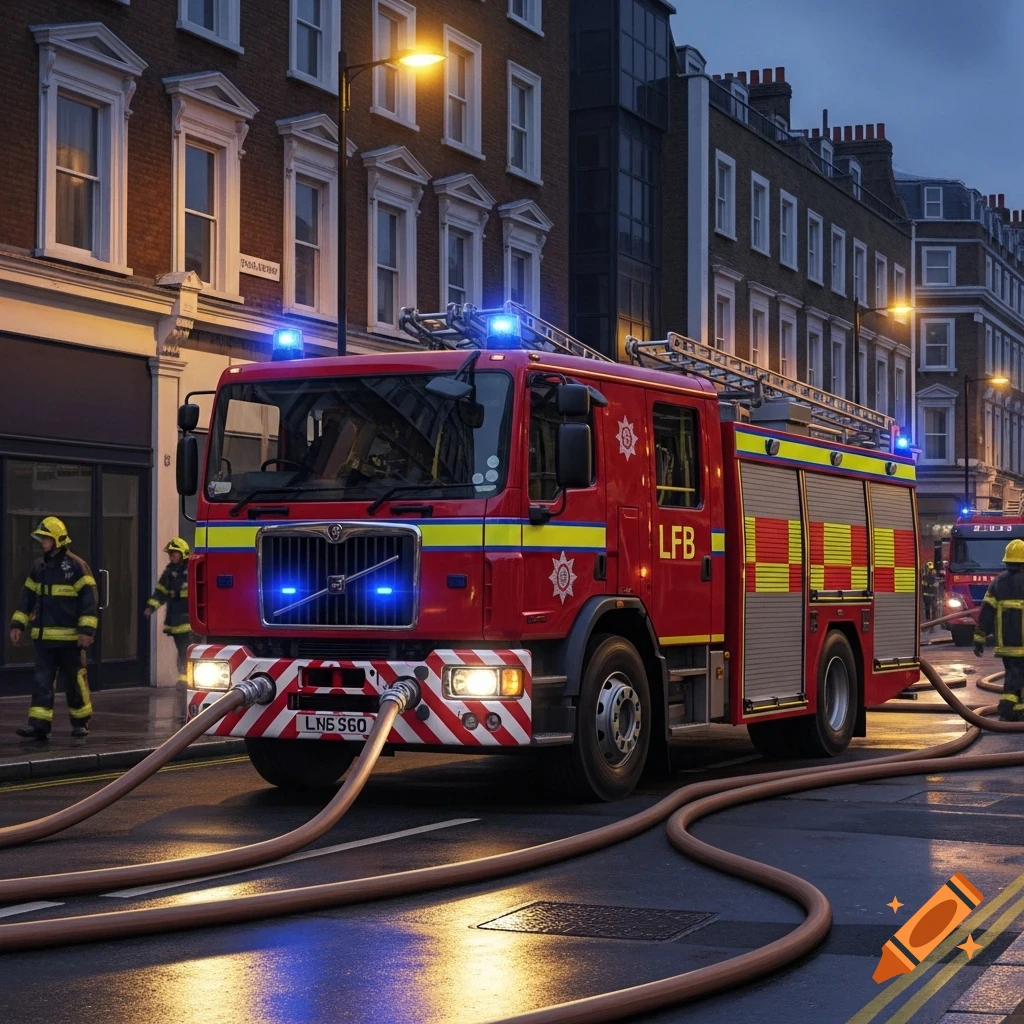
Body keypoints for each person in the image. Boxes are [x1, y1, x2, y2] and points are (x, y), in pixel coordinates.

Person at [7, 517, 97, 739]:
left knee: (75, 681)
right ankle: (38, 725)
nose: (42, 543)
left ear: (57, 540)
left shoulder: (76, 566)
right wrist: (18, 624)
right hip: (44, 639)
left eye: (46, 538)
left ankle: (80, 722)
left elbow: (89, 601)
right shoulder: (39, 567)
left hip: (70, 640)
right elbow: (26, 598)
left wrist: (86, 632)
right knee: (41, 682)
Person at [974, 538, 1024, 722]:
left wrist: (979, 639)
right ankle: (1008, 709)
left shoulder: (998, 582)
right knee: (1016, 677)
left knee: (1014, 674)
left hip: (1006, 643)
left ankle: (1016, 708)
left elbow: (986, 612)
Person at [145, 537, 192, 684]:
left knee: (188, 648)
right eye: (170, 554)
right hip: (176, 617)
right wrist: (150, 607)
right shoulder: (169, 571)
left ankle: (186, 679)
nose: (171, 556)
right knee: (182, 648)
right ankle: (184, 678)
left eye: (174, 553)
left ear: (183, 553)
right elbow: (161, 592)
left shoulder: (193, 568)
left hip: (191, 616)